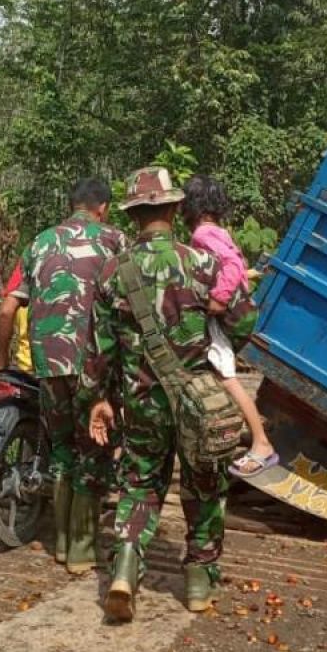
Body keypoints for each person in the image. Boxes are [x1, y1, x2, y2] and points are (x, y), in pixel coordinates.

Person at [86, 167, 258, 621]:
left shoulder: (112, 272)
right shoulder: (202, 263)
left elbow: (100, 349)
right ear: (174, 208)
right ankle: (199, 581)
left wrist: (102, 399)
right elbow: (244, 320)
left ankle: (124, 569)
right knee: (205, 484)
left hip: (140, 400)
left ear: (133, 217)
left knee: (140, 483)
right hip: (197, 399)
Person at [0, 178, 126, 575]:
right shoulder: (114, 240)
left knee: (61, 448)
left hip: (48, 367)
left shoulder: (39, 243)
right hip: (94, 365)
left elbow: (8, 308)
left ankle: (61, 545)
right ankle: (82, 549)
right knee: (94, 449)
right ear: (103, 209)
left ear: (73, 205)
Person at [181, 175, 276, 478]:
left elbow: (232, 267)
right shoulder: (218, 231)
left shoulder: (202, 234)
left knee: (226, 376)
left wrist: (218, 300)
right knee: (219, 373)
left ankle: (261, 443)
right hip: (238, 312)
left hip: (225, 316)